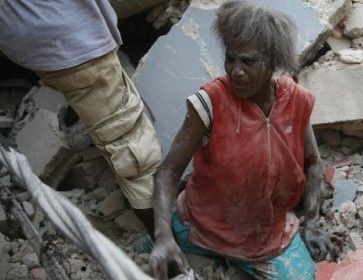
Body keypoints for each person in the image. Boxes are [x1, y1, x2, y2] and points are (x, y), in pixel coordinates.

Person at [149, 1, 342, 279]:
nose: (236, 70)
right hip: (202, 224)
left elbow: (312, 162)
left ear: (273, 62)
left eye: (248, 61)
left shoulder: (296, 101)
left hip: (264, 238)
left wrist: (310, 222)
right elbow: (168, 172)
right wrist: (162, 235)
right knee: (147, 251)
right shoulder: (210, 101)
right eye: (231, 58)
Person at [0, 1, 161, 235]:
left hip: (41, 42)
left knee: (113, 124)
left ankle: (95, 129)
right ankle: (167, 245)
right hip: (70, 42)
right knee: (135, 156)